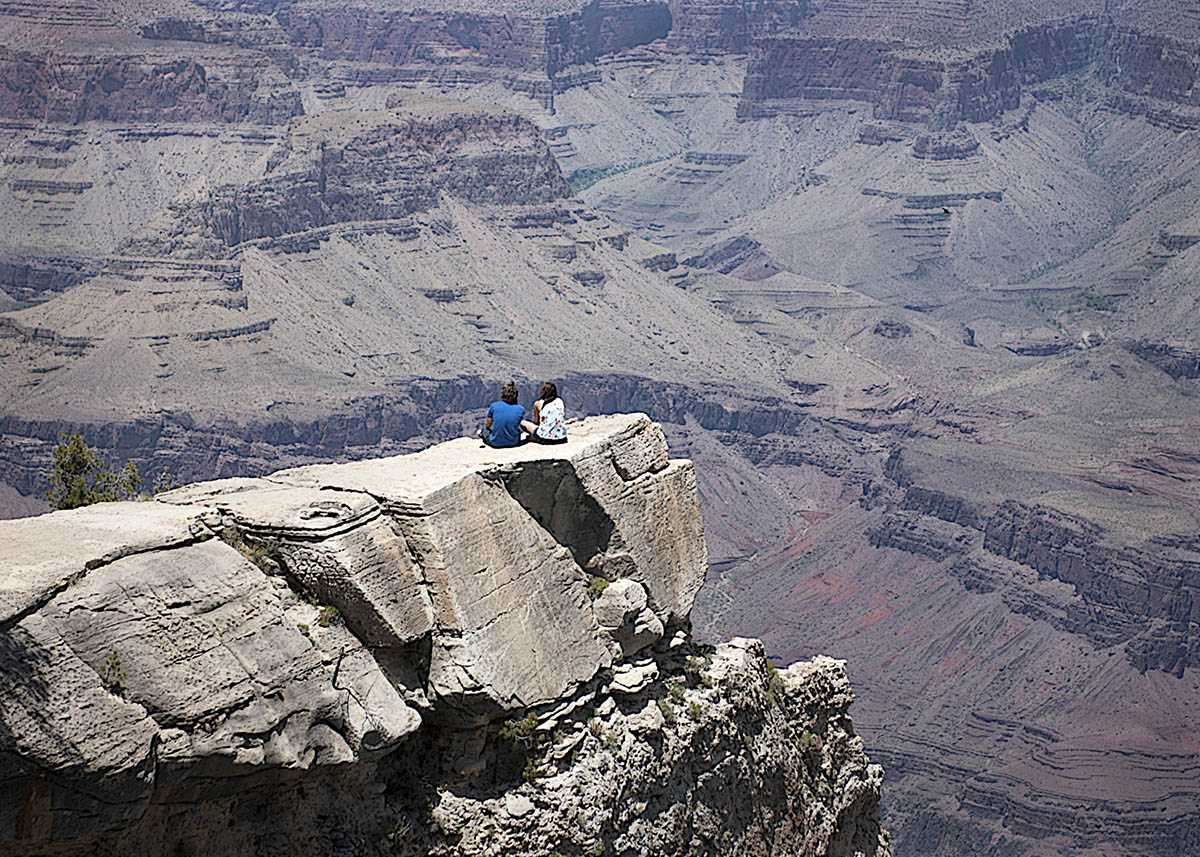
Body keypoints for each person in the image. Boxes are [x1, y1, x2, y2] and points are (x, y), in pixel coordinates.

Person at [479, 381, 525, 448]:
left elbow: (488, 424)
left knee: (483, 432)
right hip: (514, 442)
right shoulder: (521, 409)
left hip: (495, 442)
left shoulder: (494, 406)